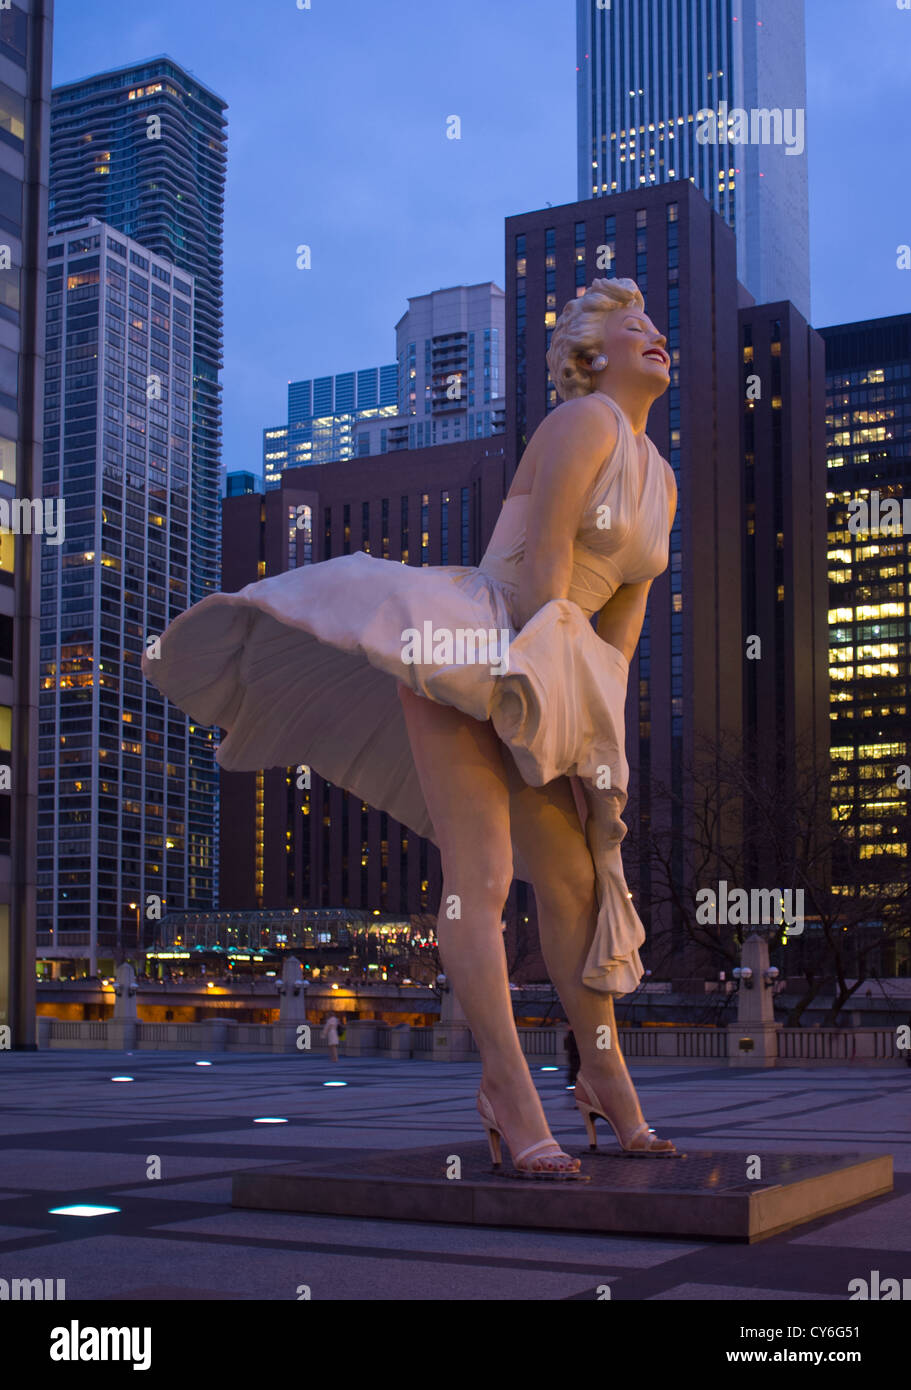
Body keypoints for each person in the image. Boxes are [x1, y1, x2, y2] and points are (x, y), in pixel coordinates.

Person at [142, 276, 678, 1177]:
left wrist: (593, 744)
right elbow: (545, 561)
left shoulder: (658, 478)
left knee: (580, 886)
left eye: (655, 324)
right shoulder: (583, 423)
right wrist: (541, 697)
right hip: (476, 644)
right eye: (633, 326)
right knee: (484, 874)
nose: (654, 334)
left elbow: (619, 636)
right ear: (592, 357)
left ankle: (605, 1084)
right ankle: (508, 1090)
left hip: (560, 665)